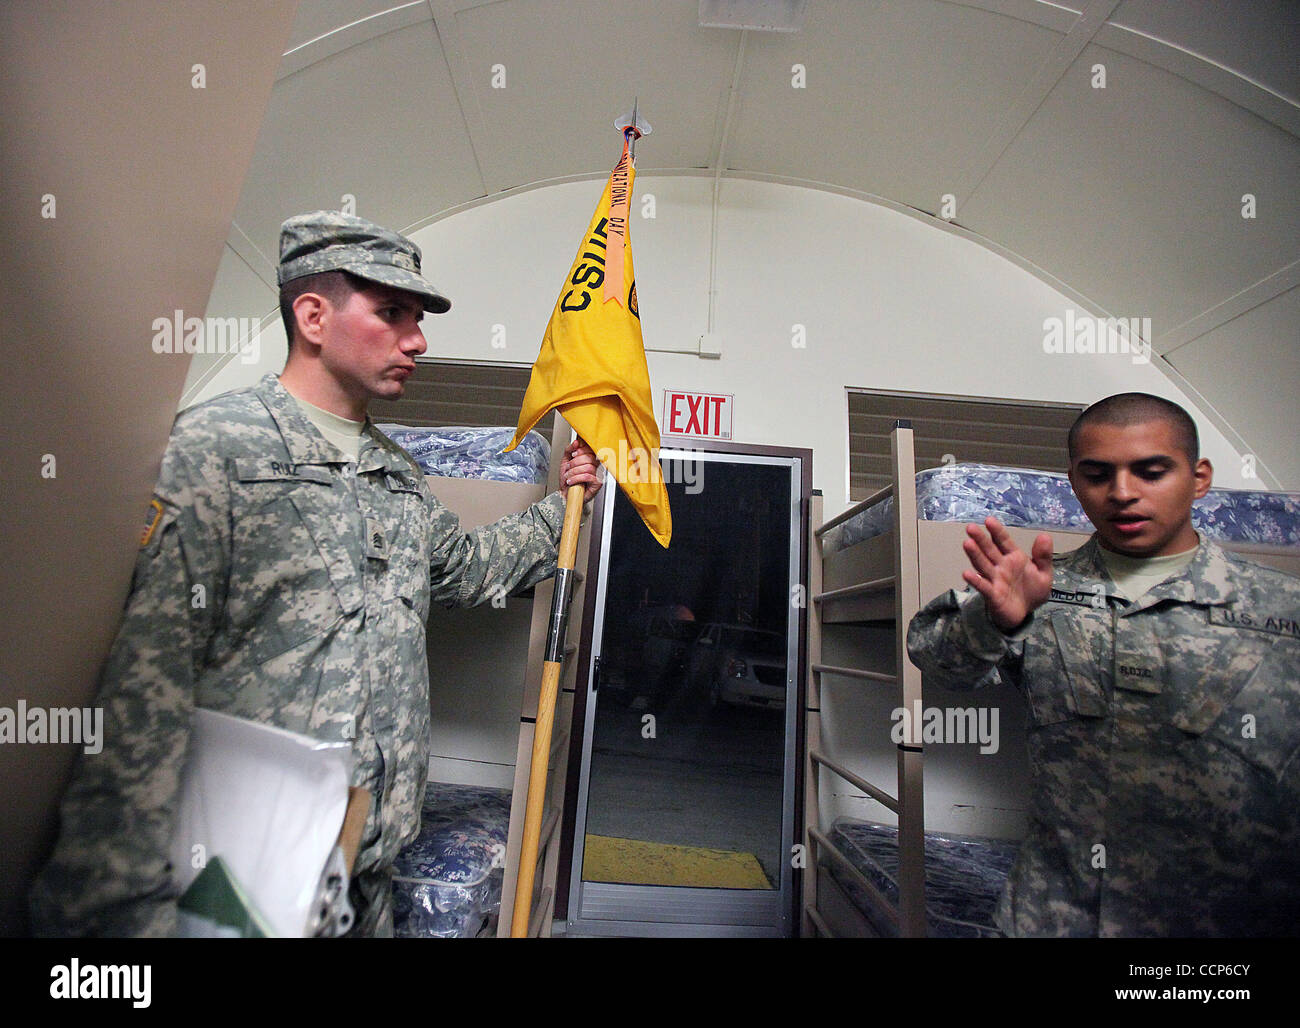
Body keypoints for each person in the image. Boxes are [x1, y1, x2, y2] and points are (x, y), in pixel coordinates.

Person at [29, 211, 602, 937]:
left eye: (418, 318)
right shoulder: (220, 450)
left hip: (362, 871)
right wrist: (121, 919)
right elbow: (146, 690)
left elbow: (464, 569)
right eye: (392, 313)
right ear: (312, 316)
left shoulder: (395, 475)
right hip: (242, 869)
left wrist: (562, 508)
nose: (417, 339)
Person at [906, 392, 1300, 937]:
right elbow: (941, 667)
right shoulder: (1039, 590)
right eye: (1097, 475)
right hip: (1055, 919)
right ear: (1074, 482)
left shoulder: (1282, 610)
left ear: (1200, 477)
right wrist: (993, 623)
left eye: (1151, 471)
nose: (1122, 493)